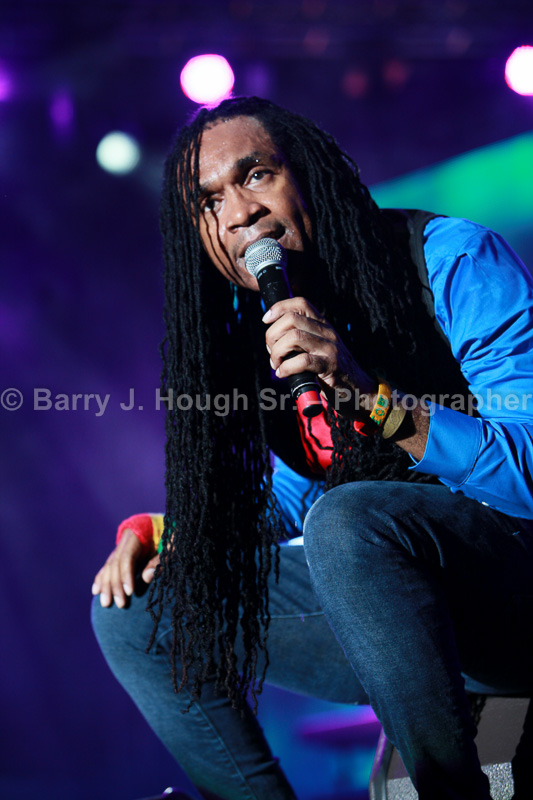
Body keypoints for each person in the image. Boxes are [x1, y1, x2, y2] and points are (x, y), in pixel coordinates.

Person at [91, 96, 533, 800]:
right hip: (398, 608)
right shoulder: (266, 331)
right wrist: (171, 533)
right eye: (209, 202)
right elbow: (304, 488)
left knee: (348, 519)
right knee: (139, 608)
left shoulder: (450, 258)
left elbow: (528, 470)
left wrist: (374, 399)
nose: (239, 213)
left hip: (512, 596)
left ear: (310, 175)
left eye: (256, 175)